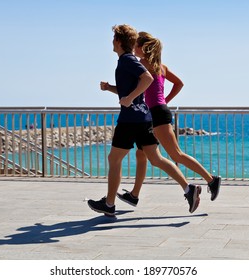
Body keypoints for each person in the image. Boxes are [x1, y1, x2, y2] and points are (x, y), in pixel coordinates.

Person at [87, 24, 202, 216]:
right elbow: (134, 87)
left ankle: (109, 204)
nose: (112, 42)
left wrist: (129, 99)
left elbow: (147, 79)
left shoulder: (127, 60)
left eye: (113, 39)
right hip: (144, 118)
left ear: (118, 41)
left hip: (130, 119)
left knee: (114, 159)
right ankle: (189, 189)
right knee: (156, 159)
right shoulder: (129, 61)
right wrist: (110, 89)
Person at [116, 32, 221, 208]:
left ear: (142, 48)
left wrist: (111, 88)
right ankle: (134, 195)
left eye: (136, 45)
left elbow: (130, 89)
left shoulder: (142, 65)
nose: (133, 48)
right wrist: (165, 101)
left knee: (175, 154)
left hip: (156, 114)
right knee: (140, 154)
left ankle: (211, 180)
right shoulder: (161, 67)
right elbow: (179, 83)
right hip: (156, 112)